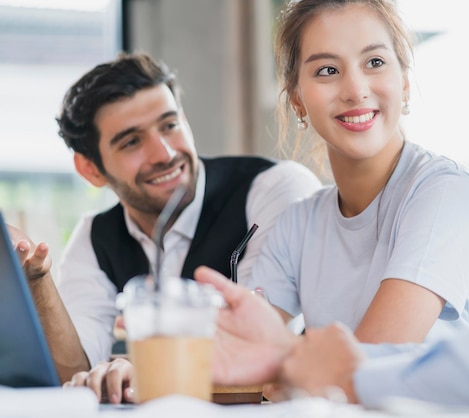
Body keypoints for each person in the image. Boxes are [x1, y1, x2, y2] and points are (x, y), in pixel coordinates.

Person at [65, 0, 469, 404]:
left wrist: (283, 373)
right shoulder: (300, 223)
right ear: (298, 100)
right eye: (327, 70)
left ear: (404, 82)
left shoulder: (443, 192)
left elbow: (363, 368)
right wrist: (144, 373)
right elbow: (234, 355)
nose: (355, 89)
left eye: (375, 62)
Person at [20, 51, 321, 384]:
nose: (164, 154)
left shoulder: (273, 189)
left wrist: (145, 370)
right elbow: (74, 370)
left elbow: (260, 336)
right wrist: (37, 280)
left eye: (169, 125)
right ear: (90, 169)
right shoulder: (95, 236)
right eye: (132, 142)